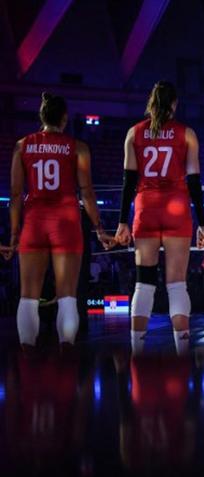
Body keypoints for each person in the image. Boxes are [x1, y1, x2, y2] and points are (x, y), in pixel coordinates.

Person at [9, 92, 113, 348]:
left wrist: (13, 235)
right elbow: (87, 193)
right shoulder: (78, 148)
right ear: (64, 118)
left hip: (34, 222)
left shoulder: (22, 146)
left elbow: (14, 195)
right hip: (66, 222)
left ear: (41, 117)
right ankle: (67, 351)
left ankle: (27, 355)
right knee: (68, 295)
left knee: (28, 297)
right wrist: (99, 228)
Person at [115, 81, 204, 355]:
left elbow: (128, 182)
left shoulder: (134, 133)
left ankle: (137, 352)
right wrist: (203, 224)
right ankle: (182, 353)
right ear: (174, 104)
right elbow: (194, 183)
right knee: (177, 284)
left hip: (146, 208)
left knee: (143, 283)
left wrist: (122, 220)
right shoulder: (187, 134)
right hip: (177, 209)